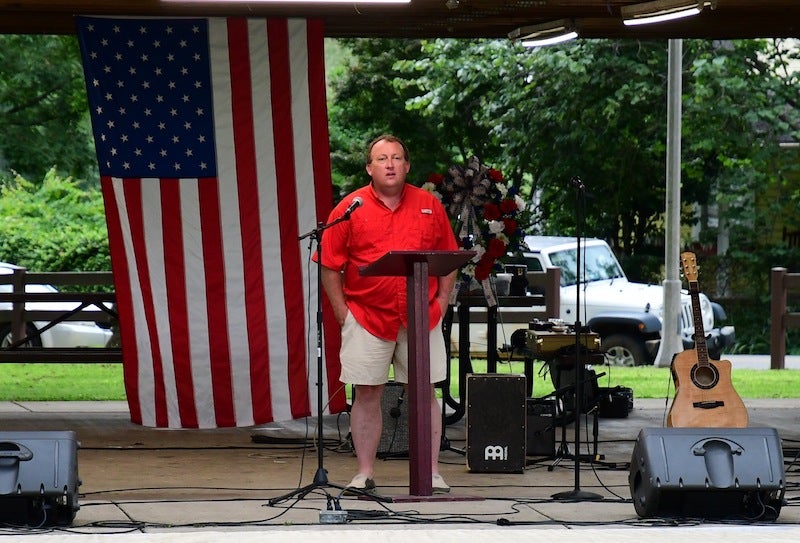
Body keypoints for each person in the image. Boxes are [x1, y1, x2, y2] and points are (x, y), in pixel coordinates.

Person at [319, 134, 458, 494]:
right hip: (367, 316)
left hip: (421, 315)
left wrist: (442, 303)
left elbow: (449, 258)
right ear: (369, 167)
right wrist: (342, 312)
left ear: (407, 165)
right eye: (382, 159)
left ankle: (431, 473)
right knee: (366, 392)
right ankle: (364, 473)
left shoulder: (429, 204)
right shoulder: (350, 208)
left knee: (424, 392)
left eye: (397, 157)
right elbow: (329, 265)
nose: (390, 164)